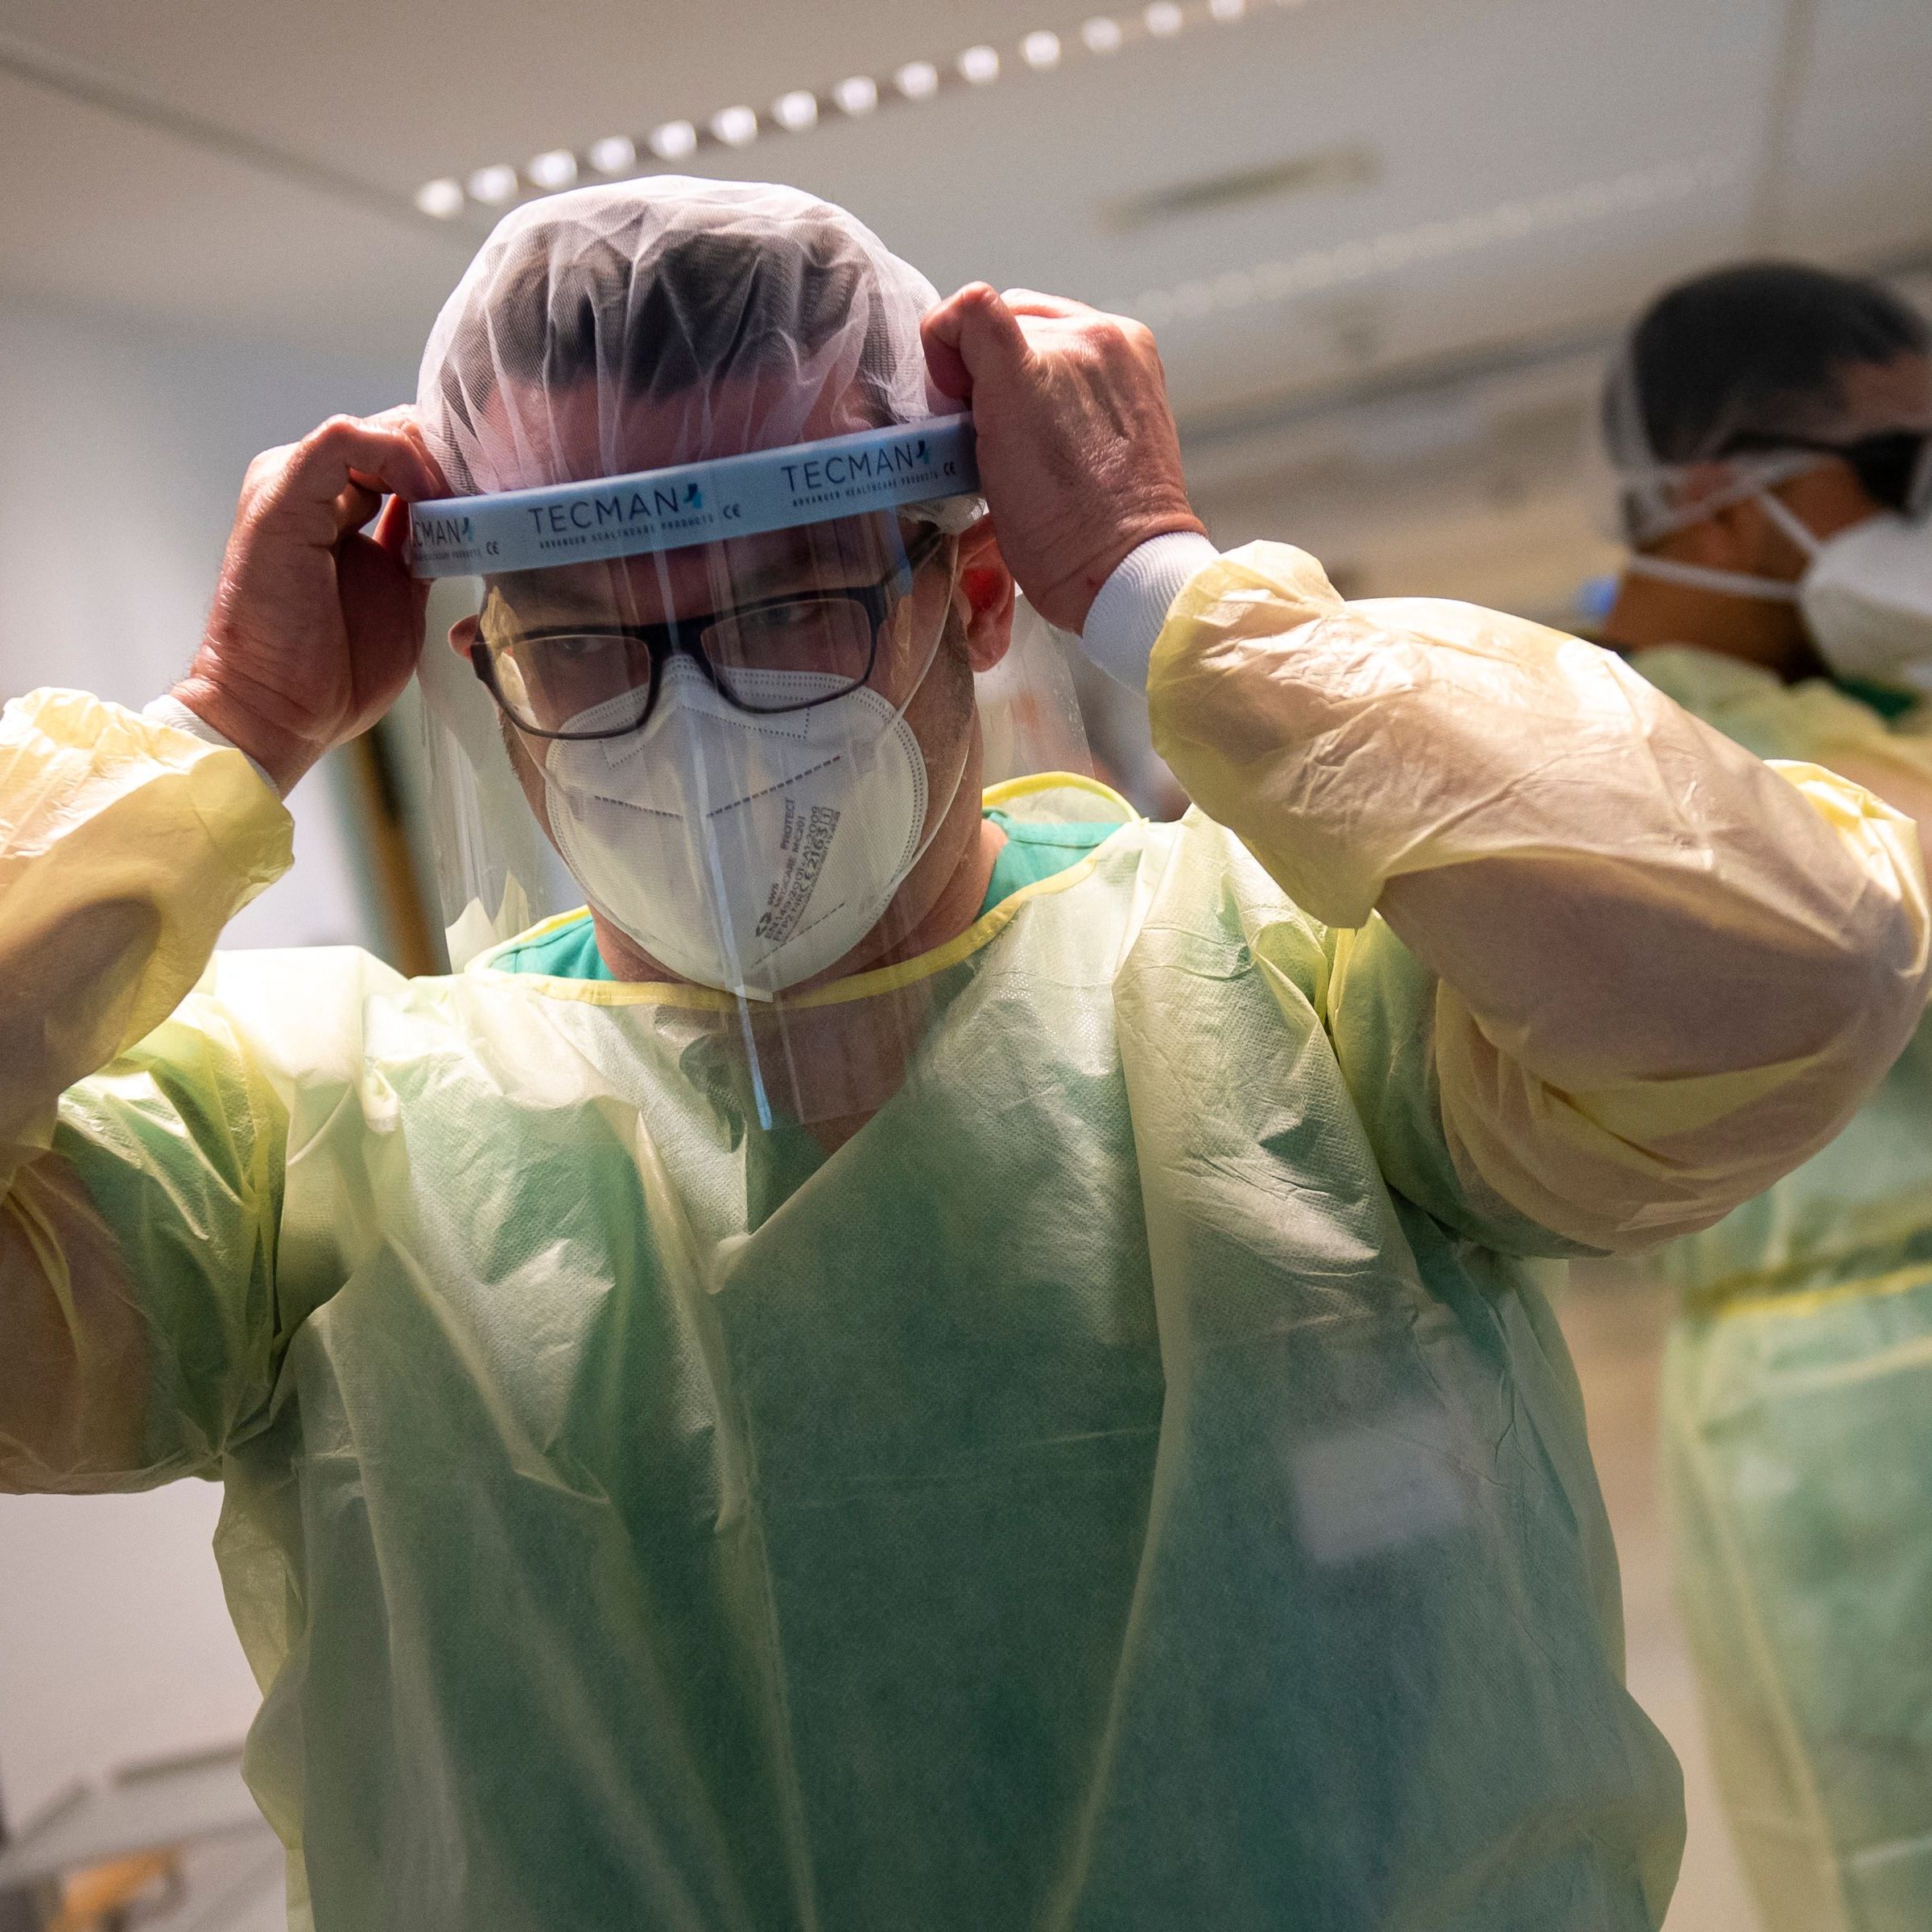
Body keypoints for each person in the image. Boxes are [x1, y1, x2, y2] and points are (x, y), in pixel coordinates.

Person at [2, 182, 1926, 1932]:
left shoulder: (1305, 996)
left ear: (979, 592)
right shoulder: (302, 1154)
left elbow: (1797, 980)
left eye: (793, 606)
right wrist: (224, 728)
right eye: (589, 643)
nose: (698, 722)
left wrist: (1174, 588)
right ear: (489, 670)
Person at [1597, 260, 1932, 1932]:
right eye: (1895, 474)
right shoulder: (1625, 738)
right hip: (1849, 1420)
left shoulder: (1861, 711)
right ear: (1718, 497)